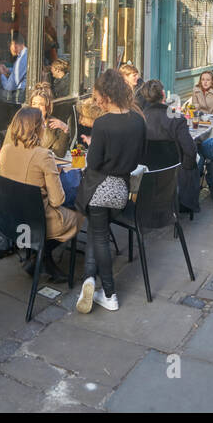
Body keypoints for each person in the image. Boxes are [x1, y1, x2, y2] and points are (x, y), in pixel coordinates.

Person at [75, 68, 145, 315]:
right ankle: (89, 280)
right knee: (98, 231)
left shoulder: (102, 124)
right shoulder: (138, 120)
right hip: (122, 190)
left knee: (100, 236)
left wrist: (96, 146)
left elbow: (93, 164)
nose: (96, 101)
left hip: (99, 188)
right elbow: (138, 158)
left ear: (106, 94)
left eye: (97, 96)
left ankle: (109, 293)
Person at [0, 107, 83, 280]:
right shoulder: (43, 155)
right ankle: (41, 258)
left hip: (9, 218)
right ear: (37, 129)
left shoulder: (6, 149)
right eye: (42, 125)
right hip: (36, 223)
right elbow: (58, 200)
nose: (44, 127)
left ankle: (40, 259)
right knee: (80, 215)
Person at [141, 79, 200, 211]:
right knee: (197, 158)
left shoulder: (139, 118)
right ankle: (186, 202)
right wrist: (188, 168)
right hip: (173, 169)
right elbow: (190, 150)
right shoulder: (176, 119)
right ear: (163, 94)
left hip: (147, 170)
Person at [28, 82, 71, 158]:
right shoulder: (24, 122)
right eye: (34, 104)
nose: (37, 108)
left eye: (41, 104)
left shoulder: (53, 124)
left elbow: (60, 153)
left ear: (47, 107)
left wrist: (65, 129)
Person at [0, 32, 29, 102]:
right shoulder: (25, 54)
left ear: (14, 45)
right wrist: (8, 70)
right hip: (22, 93)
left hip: (19, 95)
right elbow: (20, 70)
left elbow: (9, 87)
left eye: (9, 46)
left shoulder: (22, 59)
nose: (9, 49)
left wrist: (1, 73)